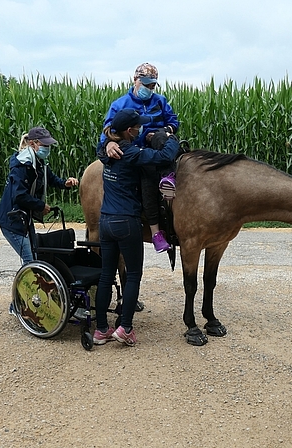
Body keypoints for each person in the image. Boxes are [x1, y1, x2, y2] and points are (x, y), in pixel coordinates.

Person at [93, 109, 180, 346]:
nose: (140, 129)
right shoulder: (129, 152)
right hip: (126, 221)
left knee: (106, 275)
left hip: (106, 220)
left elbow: (100, 148)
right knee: (133, 275)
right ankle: (125, 328)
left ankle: (101, 330)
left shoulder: (106, 150)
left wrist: (107, 144)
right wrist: (172, 139)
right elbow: (162, 157)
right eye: (137, 126)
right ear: (130, 131)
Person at [99, 62, 179, 253]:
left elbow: (173, 122)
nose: (150, 90)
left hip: (158, 145)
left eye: (152, 86)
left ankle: (169, 179)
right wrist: (109, 143)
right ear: (135, 80)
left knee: (162, 140)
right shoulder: (119, 105)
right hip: (137, 153)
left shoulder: (160, 101)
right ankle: (156, 232)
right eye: (146, 85)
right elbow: (108, 131)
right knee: (147, 183)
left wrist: (163, 131)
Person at [0, 126, 79, 264]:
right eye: (44, 144)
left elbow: (51, 179)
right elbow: (19, 196)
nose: (47, 148)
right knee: (30, 260)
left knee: (35, 255)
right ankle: (27, 284)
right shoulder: (23, 165)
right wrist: (41, 206)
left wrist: (65, 183)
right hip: (11, 218)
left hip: (24, 216)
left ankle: (31, 284)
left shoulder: (39, 162)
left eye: (48, 145)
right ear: (32, 143)